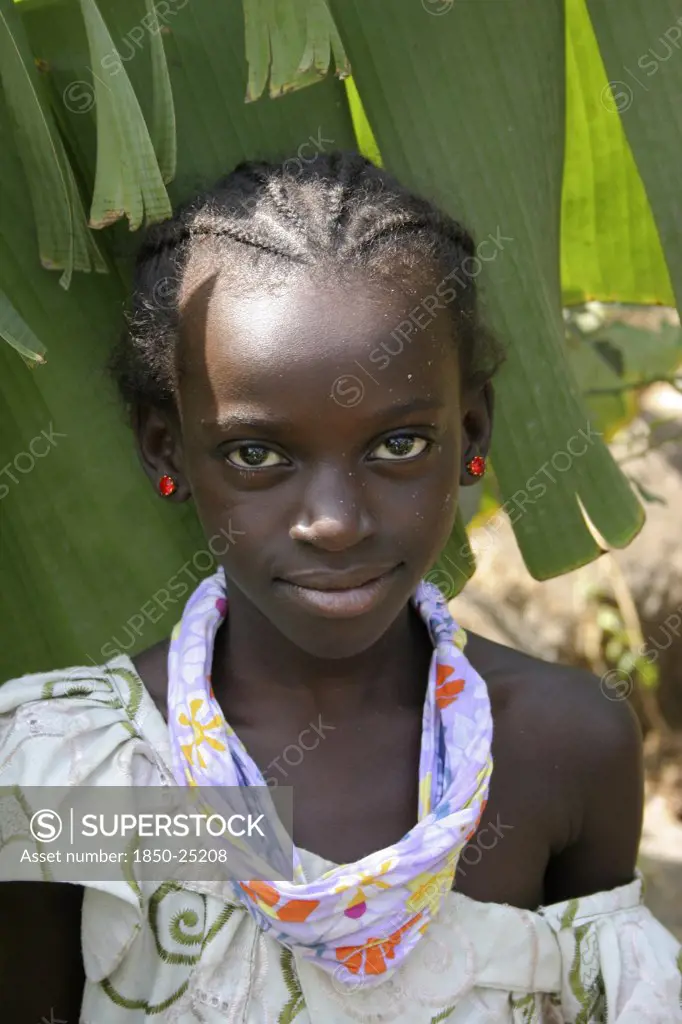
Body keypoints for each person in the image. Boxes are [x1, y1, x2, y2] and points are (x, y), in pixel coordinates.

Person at [1, 151, 680, 1024]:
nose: (335, 521)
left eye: (397, 446)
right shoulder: (78, 769)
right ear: (166, 449)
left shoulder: (562, 747)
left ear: (470, 431)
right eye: (258, 455)